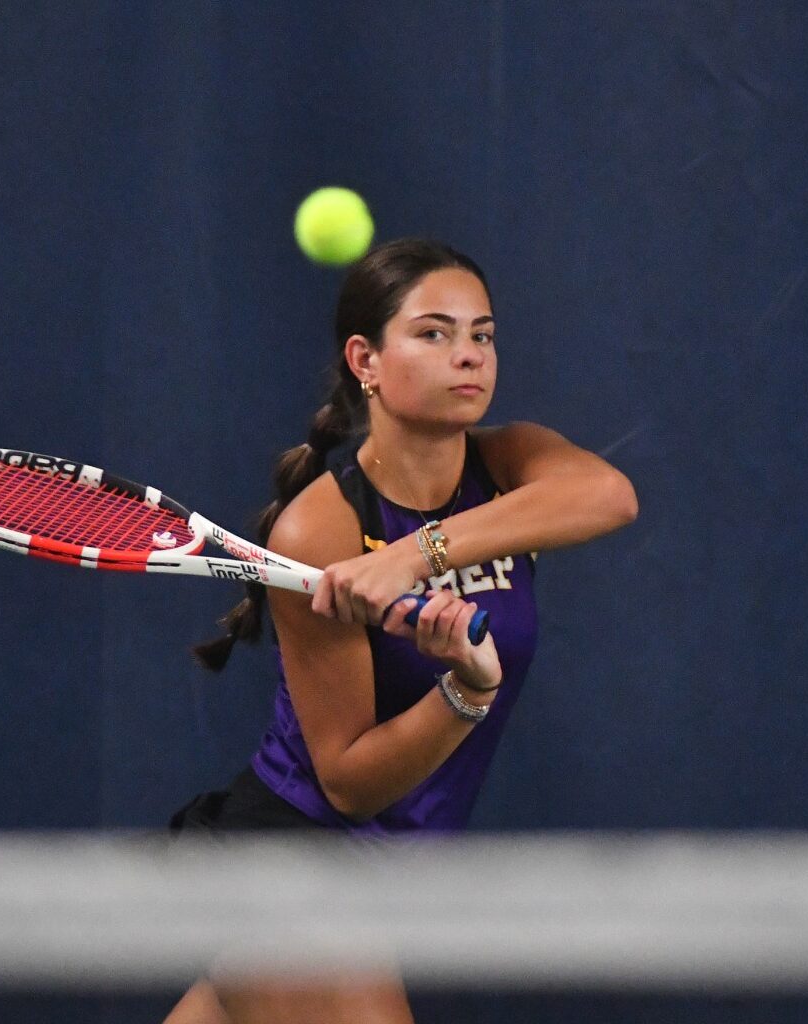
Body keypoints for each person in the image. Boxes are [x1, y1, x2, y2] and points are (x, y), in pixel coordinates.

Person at [164, 238, 638, 1023]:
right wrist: (466, 690)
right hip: (291, 867)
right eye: (433, 333)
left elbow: (610, 496)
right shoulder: (318, 528)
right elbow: (349, 783)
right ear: (366, 361)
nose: (469, 355)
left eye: (482, 334)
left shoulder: (511, 464)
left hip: (383, 883)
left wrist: (415, 556)